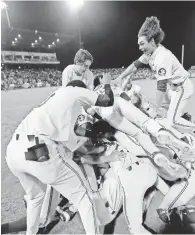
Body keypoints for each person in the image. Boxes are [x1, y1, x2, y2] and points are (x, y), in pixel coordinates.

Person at [4, 77, 114, 235]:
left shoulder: (55, 104)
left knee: (36, 198)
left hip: (14, 151)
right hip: (38, 149)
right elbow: (107, 100)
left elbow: (74, 141)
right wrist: (107, 82)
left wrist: (93, 136)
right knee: (85, 198)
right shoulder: (74, 90)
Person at [114, 16, 195, 143]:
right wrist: (120, 77)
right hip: (173, 88)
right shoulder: (151, 53)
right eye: (139, 44)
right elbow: (135, 64)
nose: (140, 48)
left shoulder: (162, 58)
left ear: (152, 41)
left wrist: (155, 110)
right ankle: (186, 119)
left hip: (182, 88)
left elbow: (161, 86)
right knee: (167, 115)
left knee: (172, 120)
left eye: (142, 44)